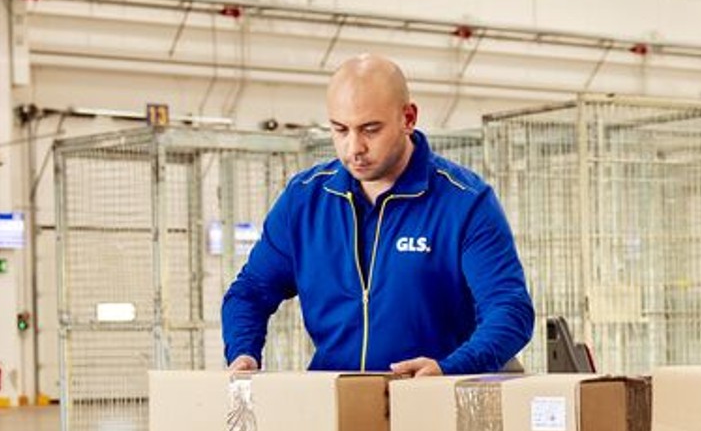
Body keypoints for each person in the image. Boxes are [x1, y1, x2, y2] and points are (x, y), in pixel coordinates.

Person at [221, 54, 534, 377]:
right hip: (337, 402)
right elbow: (250, 292)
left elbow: (509, 310)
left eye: (370, 130)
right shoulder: (304, 201)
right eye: (340, 130)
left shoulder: (463, 203)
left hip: (431, 400)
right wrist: (243, 351)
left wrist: (449, 369)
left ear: (408, 118)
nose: (353, 147)